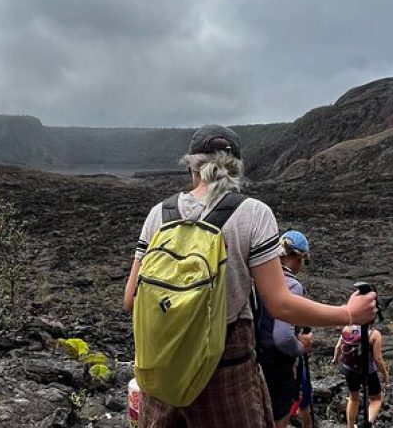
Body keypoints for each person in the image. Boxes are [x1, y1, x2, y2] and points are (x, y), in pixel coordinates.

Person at [123, 124, 377, 428]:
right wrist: (349, 313)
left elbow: (130, 300)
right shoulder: (253, 213)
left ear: (191, 165)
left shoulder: (158, 214)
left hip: (161, 368)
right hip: (225, 365)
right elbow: (280, 304)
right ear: (236, 169)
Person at [256, 230, 314, 428]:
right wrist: (301, 347)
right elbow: (282, 337)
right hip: (277, 362)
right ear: (298, 258)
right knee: (279, 415)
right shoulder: (291, 286)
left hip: (255, 356)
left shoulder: (259, 277)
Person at [332, 320, 390, 428]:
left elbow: (338, 347)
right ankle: (368, 423)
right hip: (368, 371)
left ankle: (350, 426)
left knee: (353, 397)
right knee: (376, 399)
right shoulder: (374, 334)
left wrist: (335, 359)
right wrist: (385, 374)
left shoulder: (347, 328)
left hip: (349, 369)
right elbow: (377, 359)